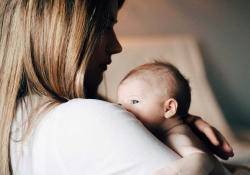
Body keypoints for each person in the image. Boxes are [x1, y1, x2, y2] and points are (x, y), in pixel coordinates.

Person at [0, 0, 235, 175]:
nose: (117, 46)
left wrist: (175, 125)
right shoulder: (85, 117)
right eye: (105, 26)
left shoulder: (17, 119)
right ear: (61, 33)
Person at [117, 61, 250, 175]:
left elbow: (202, 159)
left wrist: (170, 172)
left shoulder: (177, 136)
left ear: (169, 108)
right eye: (119, 104)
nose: (123, 108)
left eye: (134, 101)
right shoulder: (167, 130)